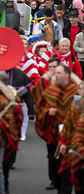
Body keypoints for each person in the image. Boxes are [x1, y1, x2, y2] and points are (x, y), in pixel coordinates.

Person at [36, 65, 78, 194]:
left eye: (59, 72)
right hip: (53, 133)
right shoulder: (50, 90)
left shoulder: (76, 91)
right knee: (54, 161)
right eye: (56, 73)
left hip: (71, 135)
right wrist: (48, 112)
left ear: (67, 75)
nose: (56, 75)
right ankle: (57, 183)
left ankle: (65, 190)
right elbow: (39, 108)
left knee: (68, 165)